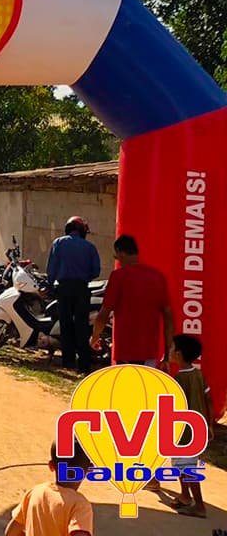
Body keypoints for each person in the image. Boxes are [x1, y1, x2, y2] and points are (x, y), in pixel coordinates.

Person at [90, 234, 174, 368]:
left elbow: (104, 313)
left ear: (120, 252)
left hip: (125, 350)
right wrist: (167, 353)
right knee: (146, 382)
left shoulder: (118, 276)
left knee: (125, 382)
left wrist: (95, 336)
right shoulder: (157, 277)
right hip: (149, 351)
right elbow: (168, 317)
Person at [158, 334, 214, 518]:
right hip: (197, 428)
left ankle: (199, 505)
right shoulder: (198, 374)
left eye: (172, 348)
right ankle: (184, 495)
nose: (169, 351)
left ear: (179, 354)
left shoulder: (179, 380)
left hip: (184, 432)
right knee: (180, 464)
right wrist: (209, 424)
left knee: (187, 467)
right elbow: (208, 399)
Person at [47, 216, 100, 374]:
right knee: (82, 326)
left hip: (64, 288)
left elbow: (52, 268)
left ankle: (68, 362)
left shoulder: (58, 243)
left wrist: (50, 284)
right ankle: (84, 365)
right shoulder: (90, 247)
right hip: (82, 289)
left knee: (65, 325)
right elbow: (95, 271)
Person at [6, 440, 94, 536]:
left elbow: (11, 532)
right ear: (90, 469)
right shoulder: (80, 505)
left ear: (51, 466)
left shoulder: (35, 492)